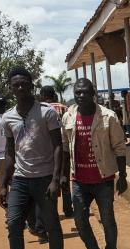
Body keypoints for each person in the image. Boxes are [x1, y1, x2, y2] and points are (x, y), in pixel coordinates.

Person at [0, 66, 65, 249]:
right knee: (14, 224)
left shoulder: (47, 113)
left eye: (24, 83)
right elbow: (9, 152)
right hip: (20, 179)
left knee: (51, 225)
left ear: (31, 85)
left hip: (45, 178)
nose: (20, 88)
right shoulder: (7, 117)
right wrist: (2, 184)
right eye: (15, 84)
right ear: (10, 88)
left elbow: (58, 146)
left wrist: (56, 179)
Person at [61, 78, 127, 249]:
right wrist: (64, 176)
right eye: (77, 92)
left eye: (85, 92)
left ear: (93, 94)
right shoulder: (68, 116)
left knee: (108, 220)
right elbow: (65, 148)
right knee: (80, 221)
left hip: (104, 179)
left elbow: (120, 148)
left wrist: (122, 176)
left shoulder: (108, 117)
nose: (81, 96)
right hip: (79, 180)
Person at [40, 85, 74, 218]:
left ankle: (51, 210)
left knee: (49, 180)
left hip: (47, 151)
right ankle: (67, 208)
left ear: (42, 96)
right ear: (54, 95)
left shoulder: (40, 110)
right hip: (63, 149)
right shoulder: (65, 108)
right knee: (64, 177)